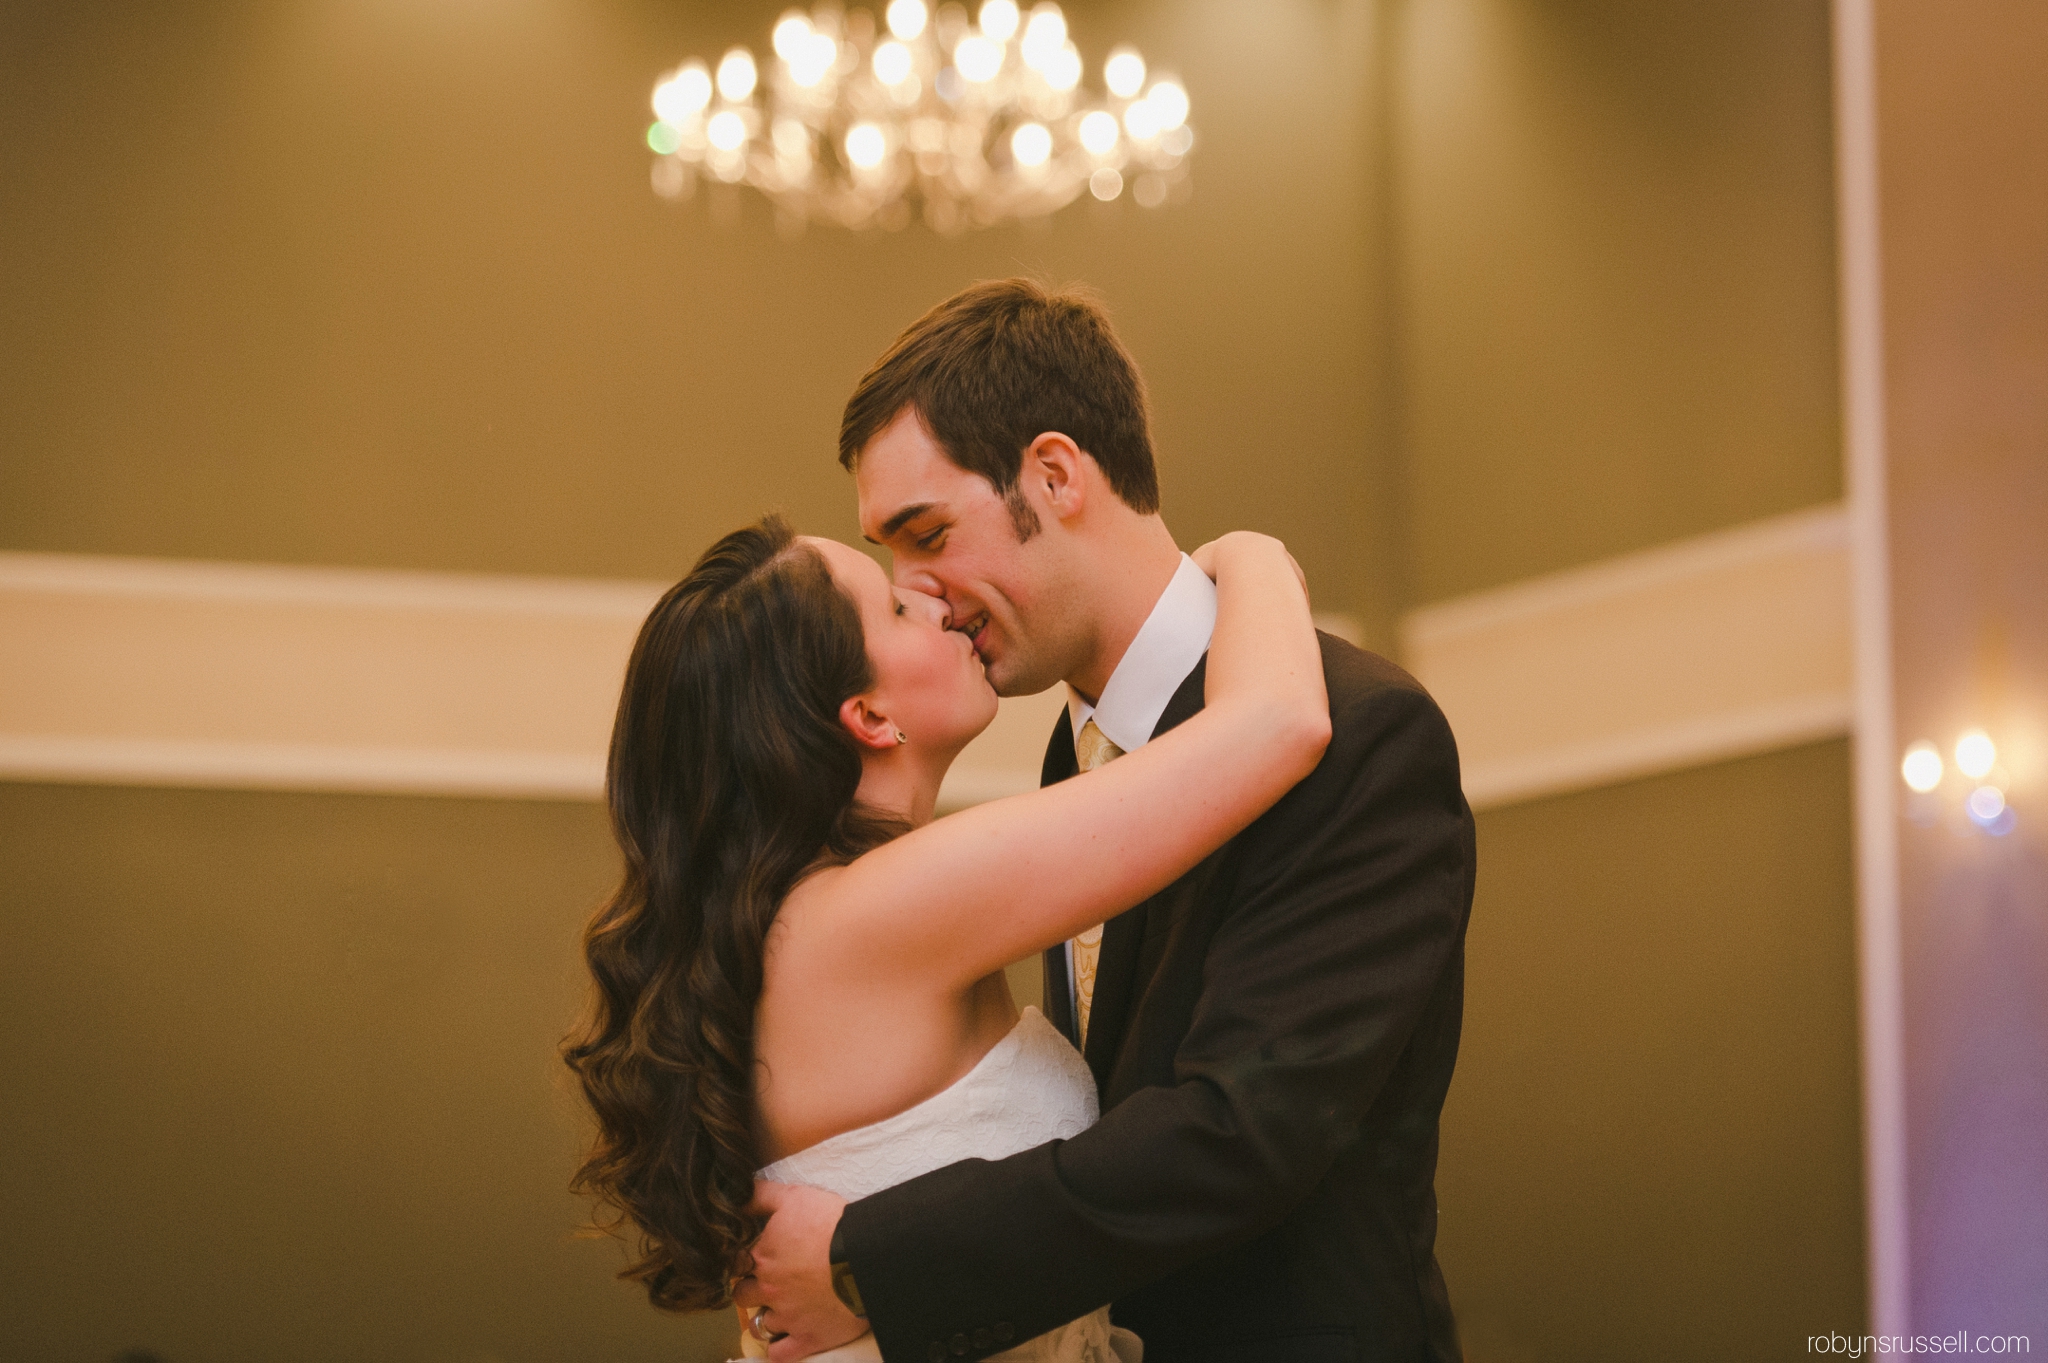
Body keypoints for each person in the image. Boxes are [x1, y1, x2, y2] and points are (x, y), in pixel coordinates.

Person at [736, 280, 1476, 1363]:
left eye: (929, 532)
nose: (924, 596)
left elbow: (1237, 1135)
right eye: (892, 562)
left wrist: (871, 1256)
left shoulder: (1363, 732)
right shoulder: (1072, 749)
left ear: (1053, 474)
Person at [563, 506, 1331, 1362]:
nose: (930, 596)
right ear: (868, 715)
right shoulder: (876, 912)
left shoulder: (823, 917)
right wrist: (1246, 553)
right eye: (894, 609)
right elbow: (1278, 724)